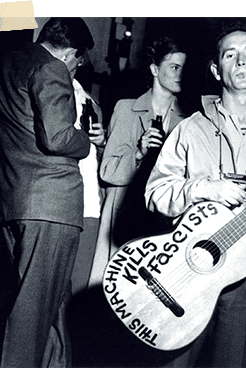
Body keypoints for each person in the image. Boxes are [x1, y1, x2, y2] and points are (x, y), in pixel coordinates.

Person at [144, 22, 246, 367]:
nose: (241, 61)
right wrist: (203, 189)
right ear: (217, 71)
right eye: (230, 55)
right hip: (189, 262)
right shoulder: (190, 127)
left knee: (230, 368)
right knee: (173, 366)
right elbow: (155, 192)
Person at [0, 17, 95, 367]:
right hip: (52, 206)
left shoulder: (9, 63)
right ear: (71, 53)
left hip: (14, 202)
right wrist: (85, 141)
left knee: (52, 309)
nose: (73, 70)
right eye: (77, 63)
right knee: (30, 317)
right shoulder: (52, 67)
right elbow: (58, 138)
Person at [87, 36, 187, 288]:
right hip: (122, 212)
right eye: (174, 67)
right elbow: (108, 170)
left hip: (160, 217)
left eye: (183, 68)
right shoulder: (126, 109)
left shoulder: (188, 121)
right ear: (155, 69)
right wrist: (139, 152)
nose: (180, 74)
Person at [70, 55, 107, 295]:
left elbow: (103, 167)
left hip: (90, 207)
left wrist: (103, 143)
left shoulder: (91, 105)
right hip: (60, 206)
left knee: (79, 284)